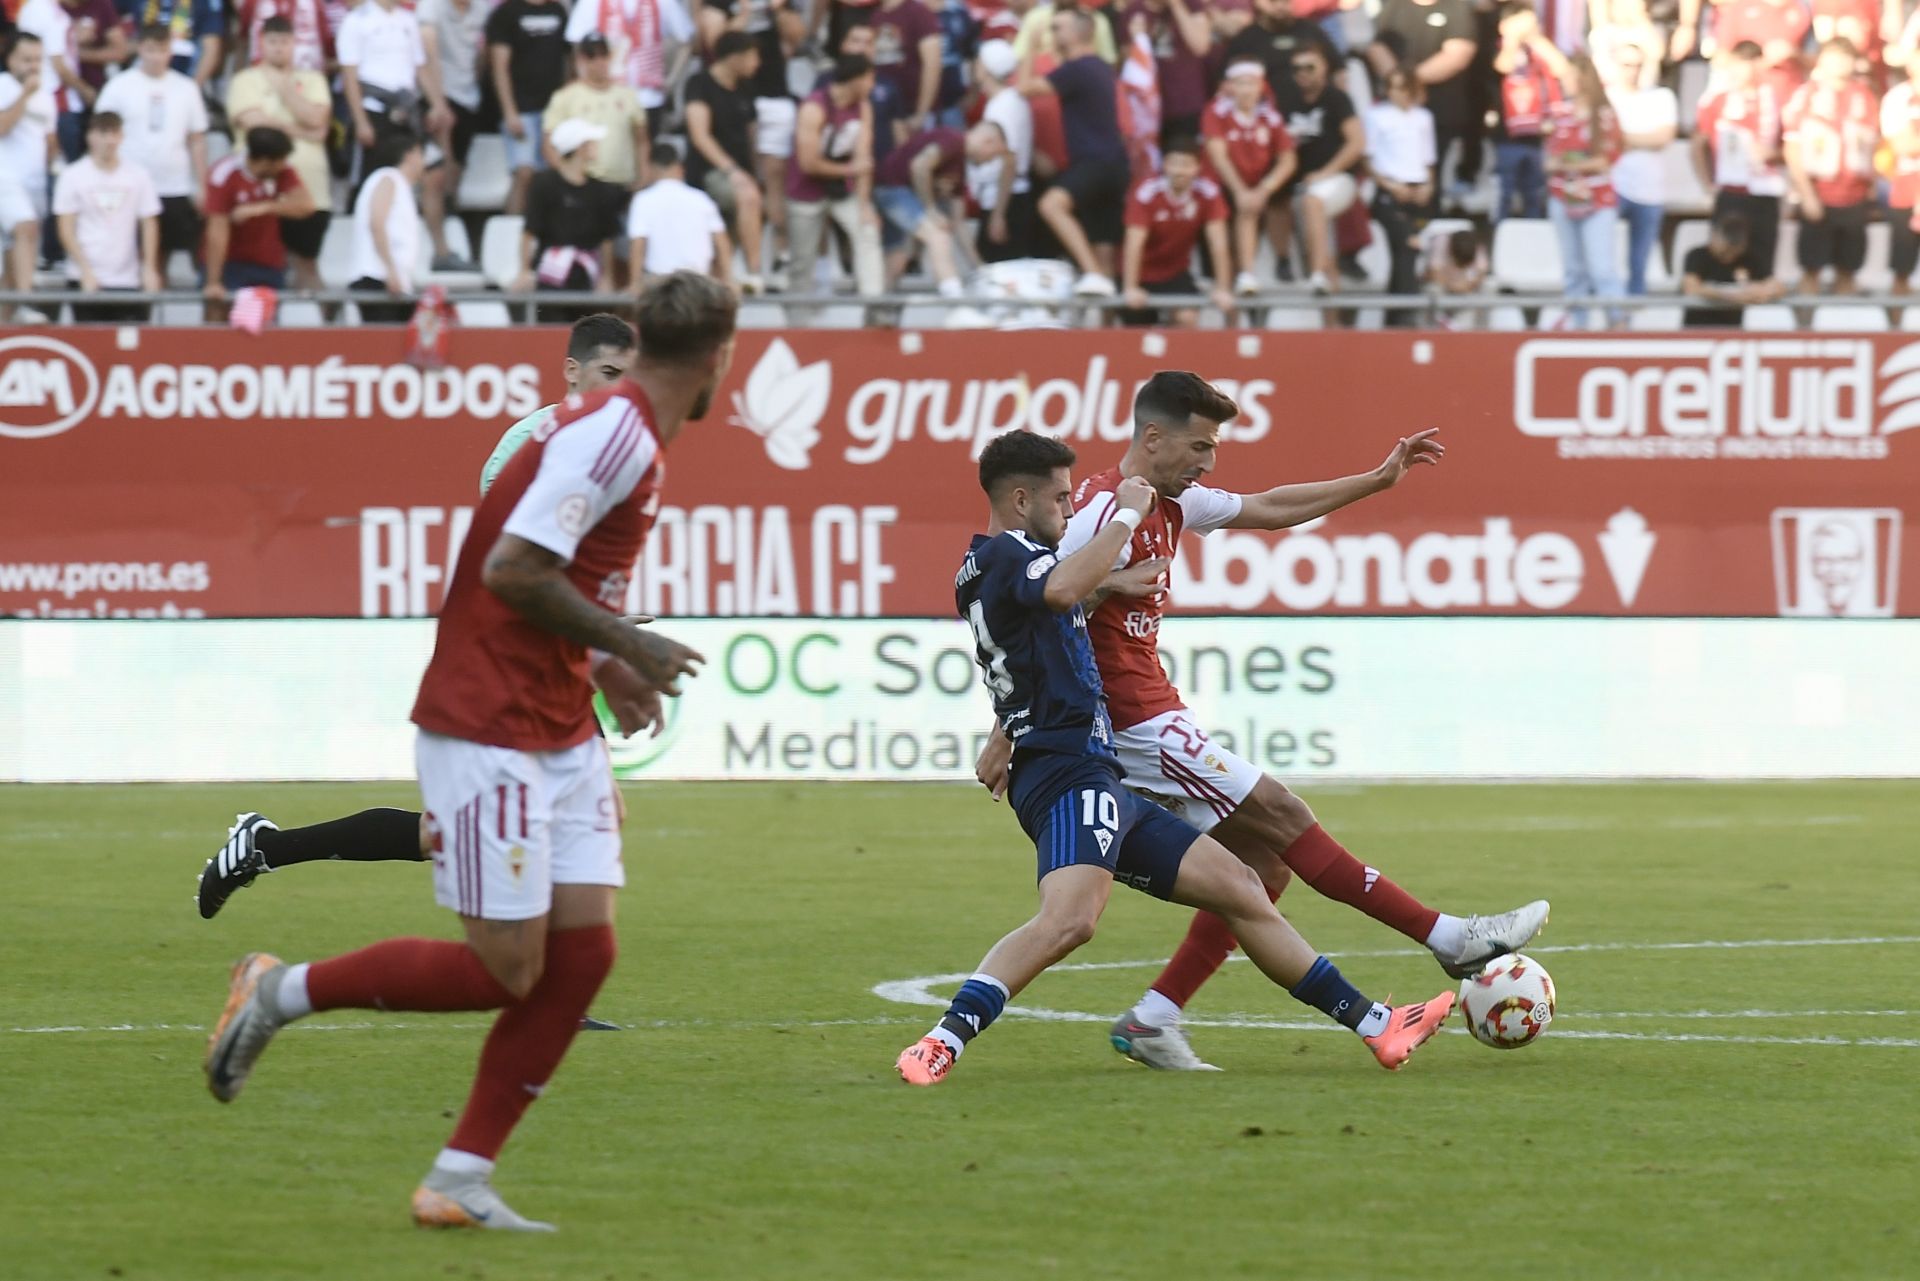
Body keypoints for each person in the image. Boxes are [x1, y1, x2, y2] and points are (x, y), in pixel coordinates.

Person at [201, 274, 734, 1233]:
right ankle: (276, 992)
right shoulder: (611, 436)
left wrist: (606, 662)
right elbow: (512, 570)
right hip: (489, 717)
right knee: (505, 969)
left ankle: (458, 1176)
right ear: (716, 360)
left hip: (558, 717)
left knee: (584, 953)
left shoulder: (622, 434)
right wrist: (633, 642)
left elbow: (555, 573)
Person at [967, 374, 1546, 1070]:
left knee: (1263, 866)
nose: (1208, 462)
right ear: (1153, 438)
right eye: (1199, 446)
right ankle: (1449, 936)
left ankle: (1154, 1017)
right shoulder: (1097, 514)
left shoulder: (1170, 501)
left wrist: (1377, 479)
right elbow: (1043, 613)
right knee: (1279, 809)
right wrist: (1011, 727)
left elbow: (1270, 507)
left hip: (1152, 706)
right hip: (1127, 719)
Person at [896, 427, 1459, 1087]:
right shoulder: (1008, 556)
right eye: (1060, 499)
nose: (1072, 510)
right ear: (1020, 501)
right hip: (1067, 774)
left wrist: (1114, 579)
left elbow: (1057, 606)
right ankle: (943, 1040)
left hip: (1094, 773)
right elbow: (1054, 592)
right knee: (1070, 919)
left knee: (1244, 885)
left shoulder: (999, 563)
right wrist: (1129, 514)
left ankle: (1379, 1026)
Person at [196, 314, 654, 924]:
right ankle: (547, 994)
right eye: (608, 375)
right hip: (514, 669)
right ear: (572, 371)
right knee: (582, 822)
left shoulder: (609, 453)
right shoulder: (531, 447)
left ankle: (267, 847)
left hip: (557, 663)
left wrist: (600, 623)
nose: (619, 393)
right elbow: (514, 569)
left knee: (460, 833)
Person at [1019, 7, 1130, 297]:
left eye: (1058, 28)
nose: (1052, 34)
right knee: (1103, 247)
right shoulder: (1099, 66)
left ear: (1079, 33)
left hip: (1094, 162)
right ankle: (1106, 327)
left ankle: (1091, 273)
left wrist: (1030, 47)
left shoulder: (1078, 68)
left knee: (1051, 206)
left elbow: (1024, 88)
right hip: (1114, 165)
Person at [227, 15, 334, 293]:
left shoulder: (311, 79)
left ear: (295, 44)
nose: (279, 48)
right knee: (260, 263)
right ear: (261, 43)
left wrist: (287, 92)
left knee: (307, 262)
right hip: (259, 188)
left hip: (309, 189)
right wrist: (303, 130)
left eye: (285, 42)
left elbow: (318, 119)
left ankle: (328, 330)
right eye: (273, 41)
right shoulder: (245, 80)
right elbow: (255, 127)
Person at [95, 23, 208, 283]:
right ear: (140, 49)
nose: (156, 56)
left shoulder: (187, 88)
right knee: (129, 251)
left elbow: (197, 139)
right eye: (150, 50)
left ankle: (156, 315)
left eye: (162, 50)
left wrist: (201, 185)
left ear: (171, 51)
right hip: (129, 183)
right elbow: (102, 130)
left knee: (162, 254)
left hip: (173, 184)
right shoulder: (120, 86)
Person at [785, 53, 885, 311]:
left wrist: (864, 205)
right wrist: (850, 169)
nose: (872, 86)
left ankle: (874, 308)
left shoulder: (863, 108)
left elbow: (865, 159)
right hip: (806, 190)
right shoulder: (813, 108)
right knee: (802, 261)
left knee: (868, 231)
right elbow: (808, 163)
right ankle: (797, 325)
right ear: (856, 79)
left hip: (843, 188)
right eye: (870, 79)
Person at [1784, 37, 1879, 297]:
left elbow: (1874, 143)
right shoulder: (1807, 94)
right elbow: (1792, 146)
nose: (1839, 64)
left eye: (1844, 57)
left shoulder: (1863, 95)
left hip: (1854, 195)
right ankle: (1806, 334)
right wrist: (1806, 194)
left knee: (1848, 270)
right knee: (1810, 269)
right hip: (1819, 191)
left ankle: (1846, 332)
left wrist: (1872, 183)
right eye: (1833, 56)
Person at [513, 118, 629, 320]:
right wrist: (525, 270)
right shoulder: (544, 184)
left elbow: (607, 238)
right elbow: (529, 230)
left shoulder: (602, 190)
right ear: (580, 148)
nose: (596, 146)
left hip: (587, 274)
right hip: (551, 272)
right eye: (591, 142)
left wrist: (606, 277)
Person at [53, 110, 162, 322]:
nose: (110, 140)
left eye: (115, 133)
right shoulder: (73, 176)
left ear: (122, 136)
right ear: (91, 136)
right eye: (103, 133)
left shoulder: (138, 175)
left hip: (127, 277)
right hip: (86, 275)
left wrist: (149, 267)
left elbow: (149, 223)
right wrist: (84, 269)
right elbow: (66, 228)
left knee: (130, 345)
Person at [1370, 0, 1477, 213]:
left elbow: (1459, 53)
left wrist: (1408, 82)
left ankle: (1429, 220)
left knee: (1430, 175)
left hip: (1441, 111)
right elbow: (1377, 46)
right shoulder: (1394, 5)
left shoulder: (1456, 7)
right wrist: (1399, 85)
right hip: (1395, 120)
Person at [1693, 41, 1787, 283]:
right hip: (1731, 190)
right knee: (1723, 257)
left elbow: (1792, 147)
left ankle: (1757, 310)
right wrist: (1707, 185)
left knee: (1762, 261)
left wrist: (1772, 154)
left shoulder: (1775, 101)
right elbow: (1698, 144)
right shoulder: (1716, 100)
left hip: (1765, 191)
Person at [1201, 59, 1296, 296]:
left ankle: (1247, 274)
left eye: (1251, 84)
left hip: (1254, 186)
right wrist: (1240, 190)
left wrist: (1265, 189)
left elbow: (1288, 160)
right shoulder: (1216, 111)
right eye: (1240, 84)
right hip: (1218, 185)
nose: (1245, 90)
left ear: (1261, 86)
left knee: (1251, 207)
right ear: (1230, 86)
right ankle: (1227, 281)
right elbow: (1218, 157)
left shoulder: (1270, 117)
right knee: (1231, 212)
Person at [1276, 41, 1363, 295]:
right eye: (1297, 68)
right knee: (1323, 248)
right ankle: (1331, 326)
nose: (1303, 73)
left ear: (1324, 68)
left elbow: (1357, 143)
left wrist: (1326, 173)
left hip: (1337, 180)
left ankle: (1316, 273)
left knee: (1313, 202)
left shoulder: (1337, 98)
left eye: (1309, 67)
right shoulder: (1288, 101)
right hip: (1302, 185)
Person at [1118, 135, 1234, 327]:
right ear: (1164, 165)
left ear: (1198, 167)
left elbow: (1218, 243)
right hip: (1140, 273)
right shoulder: (1146, 193)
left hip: (1175, 273)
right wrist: (1130, 287)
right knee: (1137, 335)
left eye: (1187, 164)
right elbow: (1134, 244)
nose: (1180, 171)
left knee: (1187, 318)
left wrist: (1222, 288)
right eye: (1175, 164)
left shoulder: (1208, 192)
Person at [1546, 54, 1625, 330]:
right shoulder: (1559, 113)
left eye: (1569, 75)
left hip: (1597, 200)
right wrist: (1571, 162)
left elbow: (1606, 159)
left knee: (1602, 268)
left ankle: (1616, 322)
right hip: (1562, 196)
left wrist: (1569, 162)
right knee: (1572, 270)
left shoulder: (1603, 114)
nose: (1563, 81)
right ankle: (1577, 325)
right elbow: (1548, 159)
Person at [682, 30, 765, 291]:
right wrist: (733, 172)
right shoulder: (699, 84)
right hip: (710, 172)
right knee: (747, 197)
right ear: (735, 57)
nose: (757, 63)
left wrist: (755, 173)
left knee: (724, 245)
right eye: (752, 57)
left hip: (741, 171)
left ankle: (724, 283)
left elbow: (751, 136)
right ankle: (754, 271)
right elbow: (700, 136)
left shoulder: (745, 87)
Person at [202, 126, 315, 315]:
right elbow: (217, 230)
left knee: (265, 331)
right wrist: (214, 281)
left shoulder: (282, 171)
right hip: (229, 264)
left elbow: (306, 205)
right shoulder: (224, 174)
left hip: (268, 264)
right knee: (219, 326)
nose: (284, 165)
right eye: (280, 161)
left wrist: (263, 207)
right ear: (265, 161)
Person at [416, 0, 490, 271]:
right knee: (436, 172)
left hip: (466, 96)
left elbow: (481, 52)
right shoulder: (431, 7)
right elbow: (426, 51)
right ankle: (440, 250)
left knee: (451, 177)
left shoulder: (481, 8)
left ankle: (448, 240)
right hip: (437, 97)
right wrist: (438, 101)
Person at [1602, 38, 1677, 297]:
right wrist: (1643, 139)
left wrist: (1624, 139)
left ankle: (1630, 322)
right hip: (1611, 188)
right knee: (1602, 258)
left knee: (1639, 263)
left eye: (1637, 65)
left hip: (1649, 191)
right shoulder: (1604, 98)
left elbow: (1664, 137)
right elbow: (1602, 140)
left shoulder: (1661, 96)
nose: (1631, 70)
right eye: (1625, 64)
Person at [487, 0, 570, 217]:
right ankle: (511, 232)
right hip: (521, 109)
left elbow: (568, 60)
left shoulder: (558, 11)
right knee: (524, 173)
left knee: (549, 176)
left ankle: (543, 236)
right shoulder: (506, 12)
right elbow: (499, 66)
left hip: (553, 110)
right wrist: (509, 110)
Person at [1366, 65, 1437, 320]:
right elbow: (1368, 159)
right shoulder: (1376, 116)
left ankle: (1396, 314)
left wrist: (1428, 186)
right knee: (1407, 243)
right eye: (1395, 88)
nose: (1400, 94)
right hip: (1391, 190)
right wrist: (1390, 185)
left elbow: (1428, 158)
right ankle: (1404, 313)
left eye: (1405, 88)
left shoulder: (1423, 118)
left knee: (1407, 250)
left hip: (1417, 191)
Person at [1488, 1, 1567, 222]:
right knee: (1505, 193)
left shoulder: (1539, 51)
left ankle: (1532, 239)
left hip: (1539, 135)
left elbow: (1562, 69)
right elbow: (1502, 66)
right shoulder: (1498, 46)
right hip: (1507, 136)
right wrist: (1512, 37)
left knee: (1534, 194)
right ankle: (1501, 235)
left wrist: (1535, 37)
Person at [544, 32, 653, 190]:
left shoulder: (628, 95)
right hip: (585, 184)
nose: (599, 61)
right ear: (581, 59)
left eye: (603, 55)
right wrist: (568, 178)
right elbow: (549, 144)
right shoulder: (565, 97)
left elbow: (642, 140)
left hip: (623, 183)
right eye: (592, 56)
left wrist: (643, 177)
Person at [565, 0, 697, 130]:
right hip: (605, 98)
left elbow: (687, 39)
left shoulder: (663, 2)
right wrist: (586, 85)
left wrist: (670, 81)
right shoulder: (592, 3)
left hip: (648, 98)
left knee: (644, 146)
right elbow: (576, 45)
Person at [874, 124, 970, 296]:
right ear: (989, 142)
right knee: (938, 236)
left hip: (892, 189)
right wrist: (931, 209)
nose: (991, 162)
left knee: (897, 258)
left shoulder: (960, 165)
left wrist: (980, 267)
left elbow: (959, 222)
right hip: (892, 187)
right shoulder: (955, 140)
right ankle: (956, 303)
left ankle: (879, 316)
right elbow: (919, 166)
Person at [0, 31, 56, 324]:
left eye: (37, 60)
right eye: (26, 60)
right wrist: (25, 96)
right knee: (26, 226)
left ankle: (8, 330)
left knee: (10, 267)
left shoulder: (46, 96)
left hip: (33, 185)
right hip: (4, 179)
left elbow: (48, 140)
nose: (33, 66)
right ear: (10, 60)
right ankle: (25, 300)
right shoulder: (3, 86)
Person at [627, 139, 732, 285]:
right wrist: (728, 279)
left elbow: (638, 243)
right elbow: (721, 241)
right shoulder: (701, 199)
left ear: (651, 169)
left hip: (659, 284)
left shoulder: (643, 200)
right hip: (698, 281)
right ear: (680, 168)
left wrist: (635, 283)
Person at [348, 131, 426, 323]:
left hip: (393, 280)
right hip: (377, 276)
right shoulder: (388, 178)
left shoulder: (402, 187)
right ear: (410, 154)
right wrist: (390, 269)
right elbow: (377, 223)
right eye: (421, 154)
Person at [968, 38, 1033, 264]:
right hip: (1000, 197)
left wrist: (998, 214)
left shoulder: (1004, 106)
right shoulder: (1004, 101)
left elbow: (1009, 160)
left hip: (1006, 198)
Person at [1682, 210, 1785, 324]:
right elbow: (1691, 287)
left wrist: (1760, 291)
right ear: (1715, 236)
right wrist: (1729, 295)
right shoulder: (1697, 256)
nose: (1729, 256)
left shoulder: (1748, 259)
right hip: (1697, 329)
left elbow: (1777, 287)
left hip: (1733, 330)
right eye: (1726, 250)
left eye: (1734, 251)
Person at [872, 0, 942, 140]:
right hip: (883, 111)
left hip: (912, 111)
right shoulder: (875, 13)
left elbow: (933, 64)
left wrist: (921, 114)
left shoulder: (918, 12)